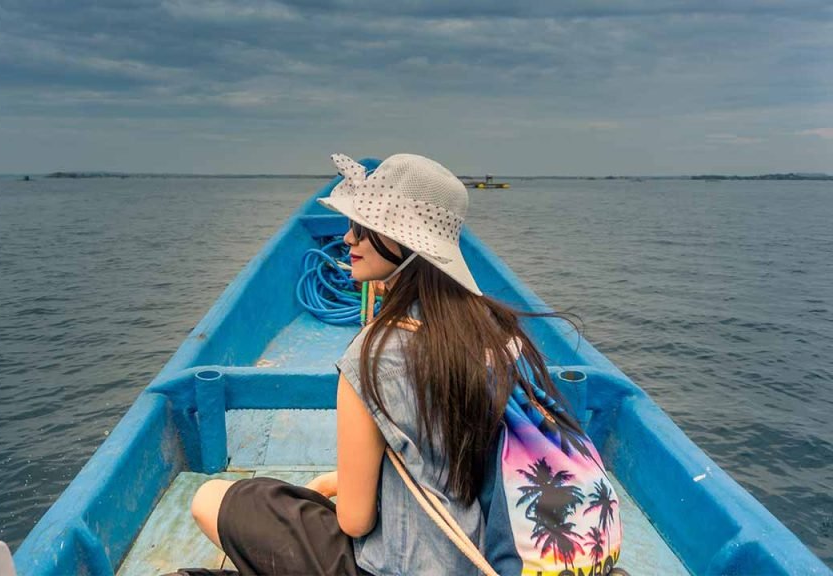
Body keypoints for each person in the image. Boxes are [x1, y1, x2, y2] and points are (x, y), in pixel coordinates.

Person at [185, 154, 622, 576]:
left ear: (407, 244)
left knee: (212, 499)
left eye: (363, 226)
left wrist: (323, 491)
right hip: (490, 556)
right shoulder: (501, 331)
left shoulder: (373, 355)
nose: (348, 239)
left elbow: (355, 522)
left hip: (399, 567)